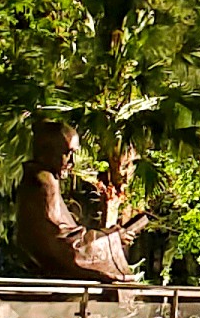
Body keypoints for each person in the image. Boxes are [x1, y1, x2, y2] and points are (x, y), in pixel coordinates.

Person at [14, 120, 147, 285]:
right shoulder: (43, 183)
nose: (72, 162)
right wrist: (112, 237)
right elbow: (62, 244)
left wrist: (109, 236)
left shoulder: (40, 180)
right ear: (46, 150)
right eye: (67, 153)